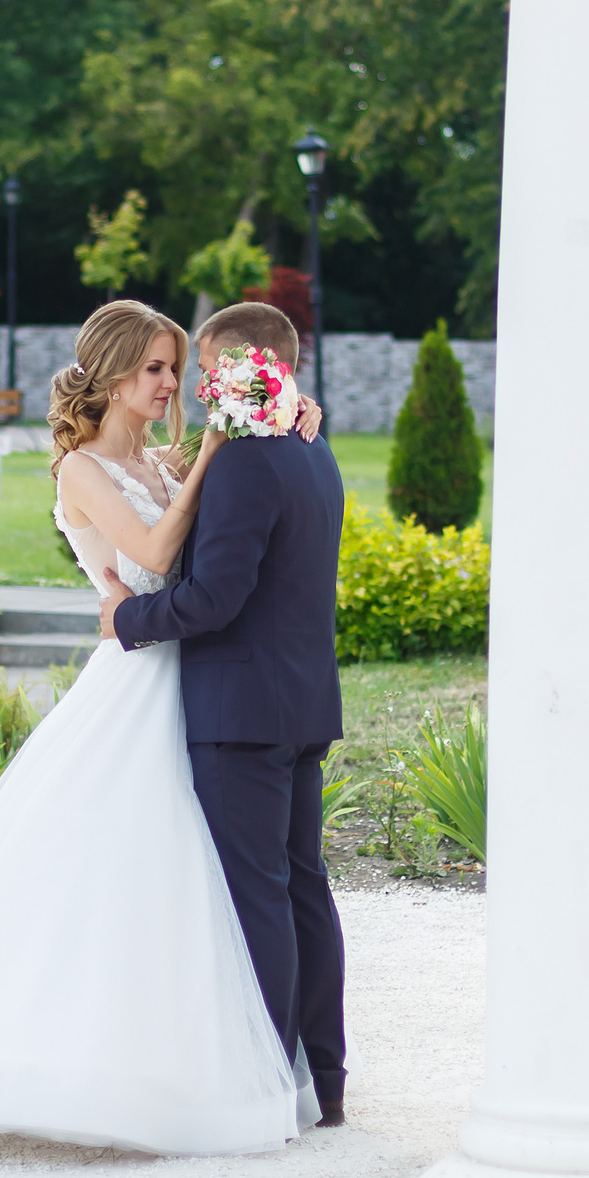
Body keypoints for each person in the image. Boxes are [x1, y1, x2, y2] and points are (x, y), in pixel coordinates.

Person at [0, 298, 333, 1155]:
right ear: (111, 373)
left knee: (194, 887)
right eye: (153, 368)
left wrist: (287, 414)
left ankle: (222, 1054)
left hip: (194, 678)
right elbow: (151, 557)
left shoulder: (161, 460)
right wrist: (215, 451)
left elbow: (228, 502)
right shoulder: (81, 469)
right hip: (138, 677)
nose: (170, 383)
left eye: (175, 369)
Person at [105, 300, 350, 1130]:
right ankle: (326, 1076)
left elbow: (213, 599)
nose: (202, 386)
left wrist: (125, 621)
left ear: (251, 364)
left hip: (241, 708)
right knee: (304, 891)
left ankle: (264, 1087)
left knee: (259, 897)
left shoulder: (251, 459)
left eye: (209, 367)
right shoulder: (314, 446)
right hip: (303, 699)